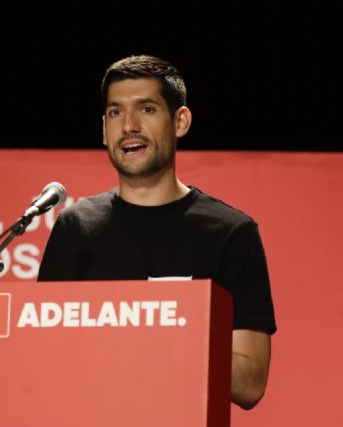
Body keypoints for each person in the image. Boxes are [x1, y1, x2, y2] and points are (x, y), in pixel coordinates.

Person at [37, 54, 276, 410]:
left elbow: (250, 382)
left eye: (146, 110)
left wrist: (156, 333)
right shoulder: (75, 228)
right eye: (116, 113)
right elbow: (43, 358)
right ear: (104, 129)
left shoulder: (230, 233)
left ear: (180, 121)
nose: (128, 126)